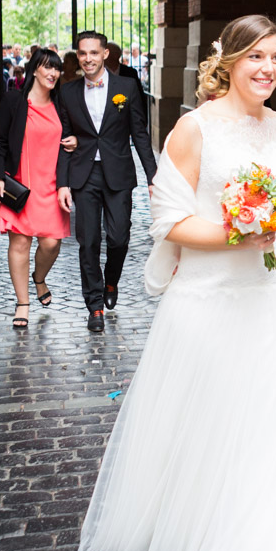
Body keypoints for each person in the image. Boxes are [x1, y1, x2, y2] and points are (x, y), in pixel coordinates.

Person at [76, 14, 276, 551]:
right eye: (256, 56)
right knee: (217, 412)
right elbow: (169, 222)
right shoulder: (193, 128)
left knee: (275, 415)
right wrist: (240, 231)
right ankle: (202, 522)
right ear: (229, 61)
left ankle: (273, 532)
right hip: (214, 292)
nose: (268, 69)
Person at [57, 32, 157, 332]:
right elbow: (62, 140)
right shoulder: (68, 92)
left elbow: (139, 133)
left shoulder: (126, 87)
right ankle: (95, 306)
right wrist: (62, 183)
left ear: (105, 55)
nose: (88, 58)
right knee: (87, 242)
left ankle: (111, 281)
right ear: (78, 56)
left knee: (119, 238)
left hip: (118, 173)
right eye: (82, 53)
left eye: (93, 53)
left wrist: (154, 177)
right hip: (83, 174)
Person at [0, 48, 77, 329]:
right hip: (20, 186)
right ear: (34, 70)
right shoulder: (14, 101)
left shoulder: (61, 106)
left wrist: (73, 140)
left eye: (57, 69)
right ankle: (22, 303)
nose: (52, 73)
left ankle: (39, 278)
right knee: (20, 243)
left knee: (51, 243)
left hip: (51, 186)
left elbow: (72, 139)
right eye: (47, 67)